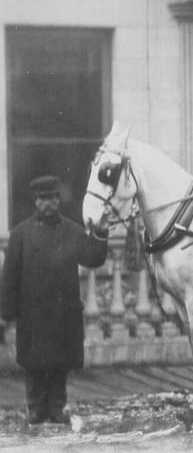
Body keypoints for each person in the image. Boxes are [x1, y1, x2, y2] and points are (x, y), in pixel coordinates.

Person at [0, 175, 108, 425]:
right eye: (43, 198)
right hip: (32, 314)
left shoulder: (72, 231)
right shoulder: (20, 235)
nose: (48, 203)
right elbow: (9, 278)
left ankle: (57, 408)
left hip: (63, 313)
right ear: (35, 201)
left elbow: (93, 258)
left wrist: (101, 232)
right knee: (33, 365)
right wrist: (6, 314)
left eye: (53, 198)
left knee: (59, 365)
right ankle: (36, 409)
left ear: (59, 199)